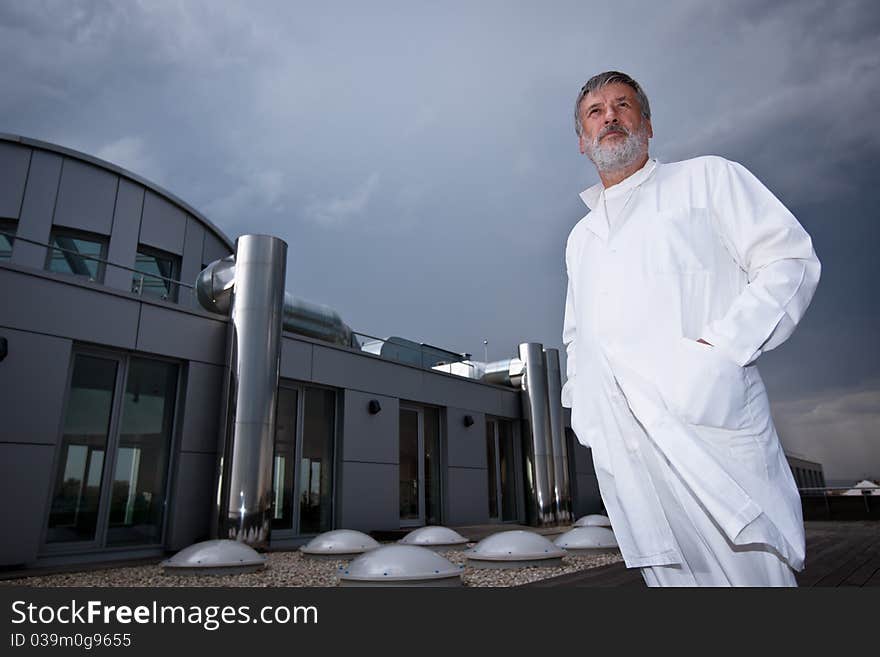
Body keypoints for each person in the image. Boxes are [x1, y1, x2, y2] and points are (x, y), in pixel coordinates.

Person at [561, 71, 821, 586]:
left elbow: (789, 261)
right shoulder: (580, 238)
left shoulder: (707, 180)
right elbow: (577, 333)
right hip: (629, 451)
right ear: (582, 142)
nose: (610, 116)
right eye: (595, 111)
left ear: (648, 125)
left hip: (709, 434)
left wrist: (719, 351)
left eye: (623, 105)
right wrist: (585, 414)